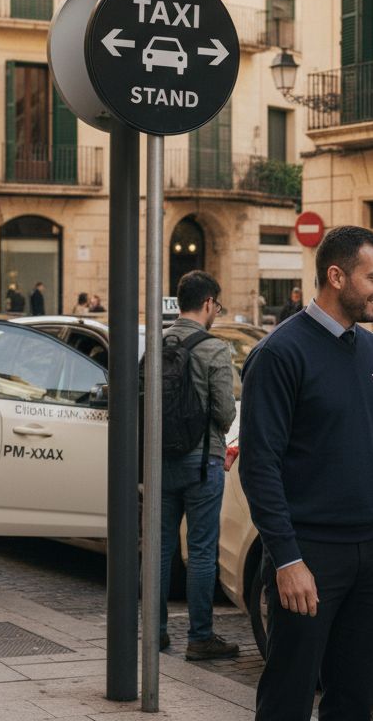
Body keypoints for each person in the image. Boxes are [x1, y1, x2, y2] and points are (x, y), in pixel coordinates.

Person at [240, 225, 373, 720]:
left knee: (355, 697)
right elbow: (260, 467)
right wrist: (286, 559)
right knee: (289, 696)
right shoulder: (279, 353)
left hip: (371, 551)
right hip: (309, 552)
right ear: (337, 276)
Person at [158, 270, 239, 660]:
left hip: (160, 460)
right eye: (217, 306)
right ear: (208, 303)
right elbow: (225, 411)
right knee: (202, 551)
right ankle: (200, 637)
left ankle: (155, 632)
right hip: (203, 461)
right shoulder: (214, 349)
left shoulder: (156, 344)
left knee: (159, 548)